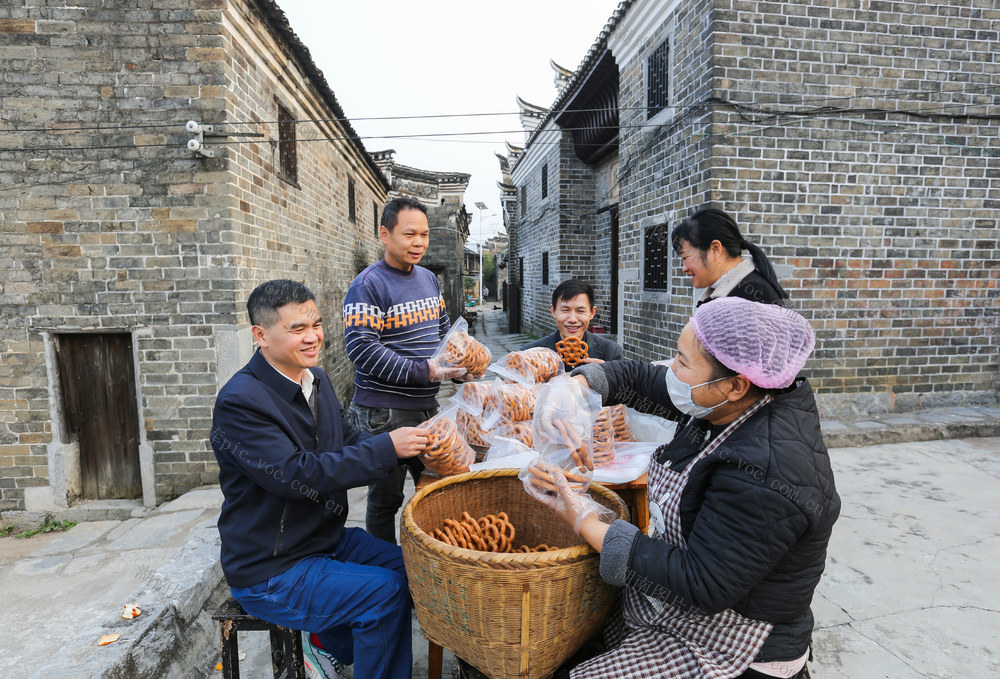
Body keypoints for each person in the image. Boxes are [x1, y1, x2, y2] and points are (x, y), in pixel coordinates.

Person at [535, 297, 839, 678]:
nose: (671, 370)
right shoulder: (726, 401)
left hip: (732, 640)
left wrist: (582, 518)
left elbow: (699, 584)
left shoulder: (767, 472)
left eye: (681, 361)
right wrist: (574, 387)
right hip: (674, 603)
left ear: (734, 385)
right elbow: (642, 379)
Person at [212, 279, 429, 679]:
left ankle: (326, 642)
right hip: (272, 567)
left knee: (418, 571)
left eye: (316, 324)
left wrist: (419, 451)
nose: (314, 337)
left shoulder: (318, 381)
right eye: (298, 329)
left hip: (323, 539)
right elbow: (295, 474)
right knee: (383, 594)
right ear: (260, 335)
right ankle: (337, 644)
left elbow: (346, 442)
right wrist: (387, 448)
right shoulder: (240, 401)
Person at [343, 196, 466, 544]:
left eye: (424, 235)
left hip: (427, 408)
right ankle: (387, 570)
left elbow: (444, 335)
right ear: (385, 234)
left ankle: (436, 562)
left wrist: (459, 366)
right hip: (383, 412)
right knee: (386, 499)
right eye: (409, 234)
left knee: (441, 486)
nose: (419, 243)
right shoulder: (367, 286)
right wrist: (425, 371)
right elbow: (362, 350)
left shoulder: (428, 279)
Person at [671, 208, 790, 306]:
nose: (684, 268)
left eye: (685, 257)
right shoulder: (735, 291)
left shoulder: (752, 296)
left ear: (715, 249)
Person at [520, 279, 624, 368]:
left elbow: (624, 391)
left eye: (580, 311)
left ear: (592, 312)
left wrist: (609, 376)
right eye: (565, 310)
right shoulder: (529, 353)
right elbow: (517, 389)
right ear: (553, 311)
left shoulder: (611, 352)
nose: (573, 319)